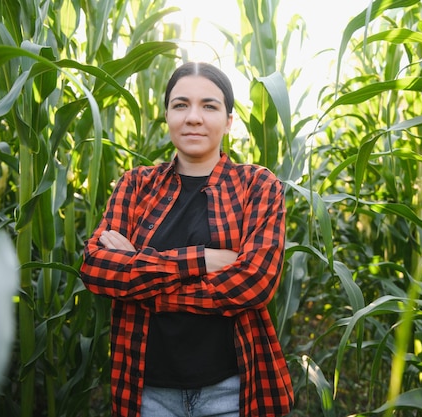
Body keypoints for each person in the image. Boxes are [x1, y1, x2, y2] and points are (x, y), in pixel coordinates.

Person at [80, 62, 293, 417]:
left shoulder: (257, 186)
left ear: (228, 120)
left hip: (232, 392)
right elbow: (95, 268)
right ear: (167, 115)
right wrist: (205, 260)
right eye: (181, 105)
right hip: (146, 392)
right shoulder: (135, 185)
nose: (193, 117)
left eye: (209, 106)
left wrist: (144, 282)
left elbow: (254, 283)